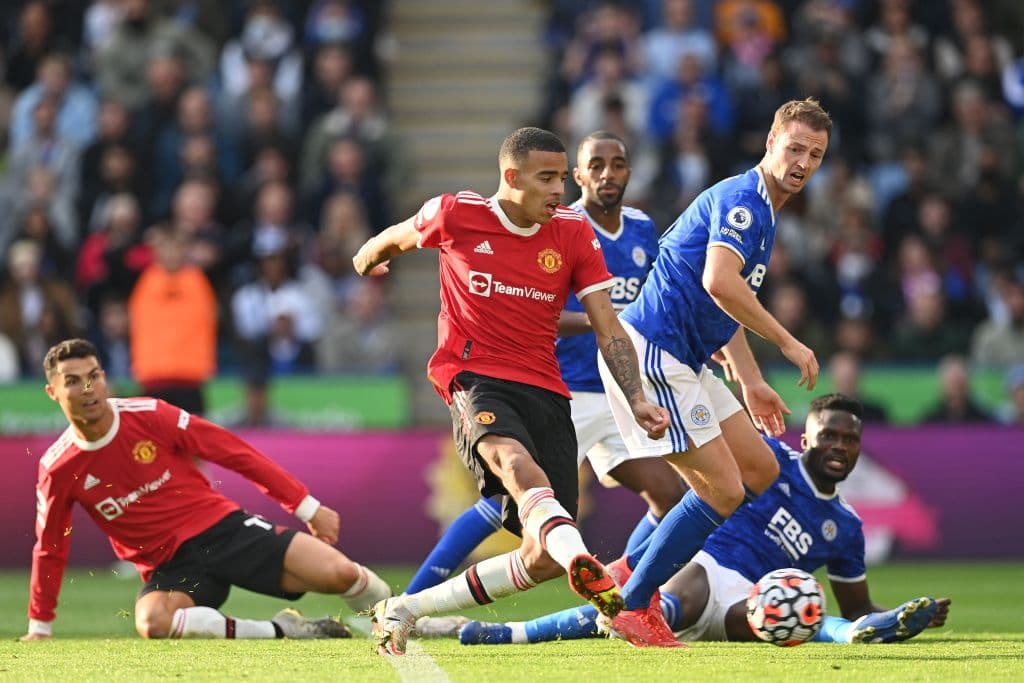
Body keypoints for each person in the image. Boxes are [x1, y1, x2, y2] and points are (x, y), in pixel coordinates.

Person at [352, 126, 670, 656]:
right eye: (546, 179)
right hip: (473, 376)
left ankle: (406, 608)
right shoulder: (456, 214)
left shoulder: (571, 232)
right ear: (511, 177)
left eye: (559, 179)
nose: (558, 191)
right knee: (517, 466)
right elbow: (392, 237)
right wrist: (367, 261)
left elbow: (608, 327)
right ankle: (589, 572)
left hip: (547, 387)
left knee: (539, 555)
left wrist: (636, 396)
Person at [596, 98, 830, 647]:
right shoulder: (744, 202)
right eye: (795, 147)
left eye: (815, 155)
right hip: (656, 351)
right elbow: (720, 283)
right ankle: (631, 604)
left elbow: (724, 308)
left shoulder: (765, 212)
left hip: (691, 359)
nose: (803, 162)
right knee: (723, 491)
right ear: (771, 141)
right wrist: (789, 342)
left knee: (758, 468)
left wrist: (748, 380)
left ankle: (628, 572)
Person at [445, 395, 951, 647]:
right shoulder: (768, 461)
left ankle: (859, 634)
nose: (839, 447)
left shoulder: (846, 526)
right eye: (829, 436)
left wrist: (901, 613)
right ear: (807, 438)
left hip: (753, 600)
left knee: (801, 614)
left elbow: (856, 598)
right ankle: (508, 634)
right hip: (705, 565)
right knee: (666, 605)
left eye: (850, 440)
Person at [22, 339, 391, 642]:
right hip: (171, 568)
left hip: (223, 531)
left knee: (340, 573)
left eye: (94, 376)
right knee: (153, 623)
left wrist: (307, 506)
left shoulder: (149, 414)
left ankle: (402, 617)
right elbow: (50, 547)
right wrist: (40, 625)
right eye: (72, 381)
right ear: (52, 392)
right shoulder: (58, 468)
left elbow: (232, 451)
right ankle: (282, 630)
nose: (88, 389)